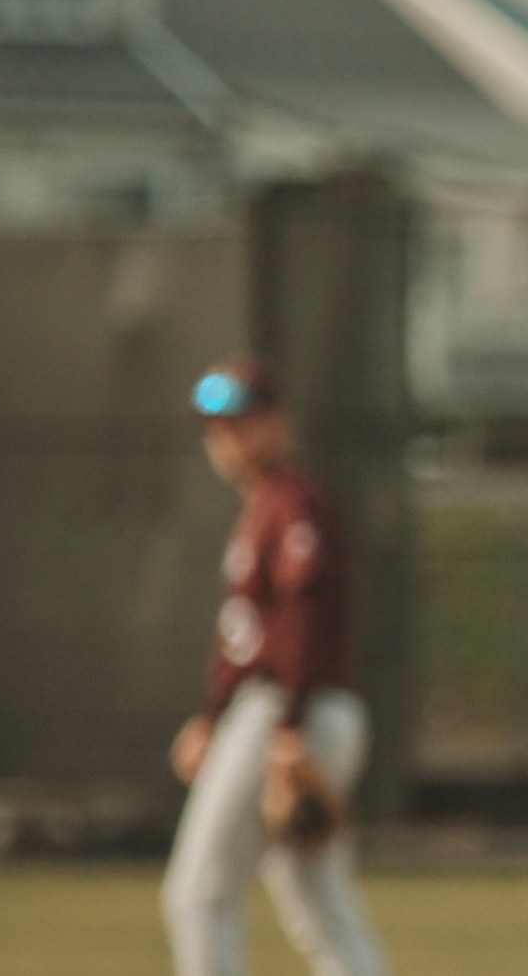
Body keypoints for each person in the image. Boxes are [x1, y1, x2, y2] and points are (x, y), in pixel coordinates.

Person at [162, 358, 387, 976]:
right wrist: (210, 717)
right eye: (215, 428)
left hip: (288, 711)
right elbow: (247, 635)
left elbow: (303, 612)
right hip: (290, 709)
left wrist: (288, 728)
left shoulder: (296, 501)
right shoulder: (266, 505)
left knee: (198, 894)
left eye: (241, 422)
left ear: (278, 423)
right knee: (318, 901)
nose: (226, 439)